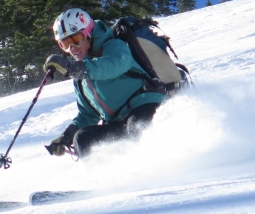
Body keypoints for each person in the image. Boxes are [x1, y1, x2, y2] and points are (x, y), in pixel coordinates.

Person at [43, 8, 167, 158]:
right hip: (118, 123)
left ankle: (157, 168)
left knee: (137, 126)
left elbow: (116, 64)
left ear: (89, 33)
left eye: (75, 39)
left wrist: (79, 69)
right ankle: (103, 178)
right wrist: (67, 136)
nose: (72, 49)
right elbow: (87, 114)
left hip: (145, 104)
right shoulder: (80, 77)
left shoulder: (113, 45)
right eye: (65, 43)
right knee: (83, 138)